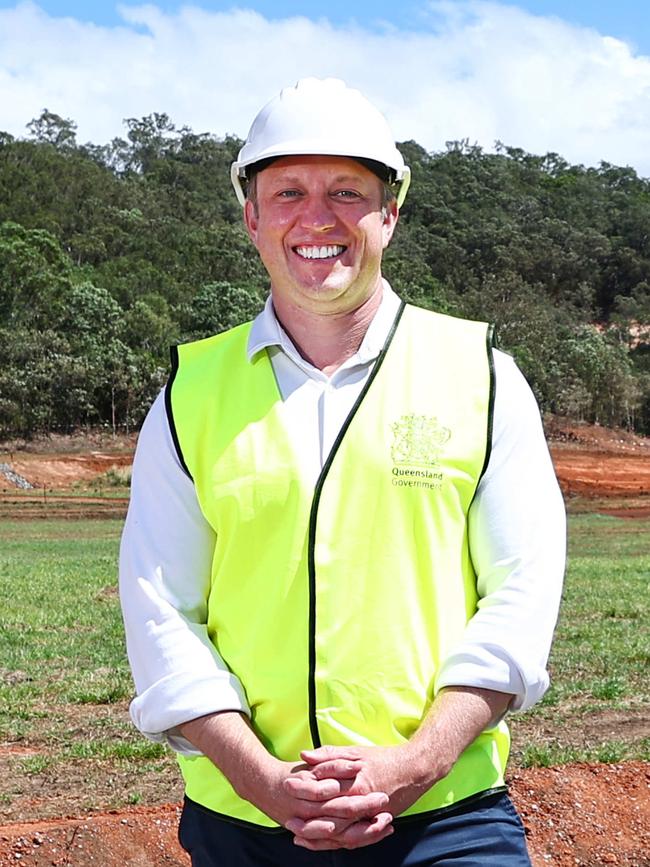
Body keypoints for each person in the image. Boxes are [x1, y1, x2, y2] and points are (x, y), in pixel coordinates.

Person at [119, 77, 566, 865]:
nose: (316, 217)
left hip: (446, 819)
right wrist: (260, 778)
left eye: (346, 191)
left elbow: (520, 598)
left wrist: (415, 763)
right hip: (248, 823)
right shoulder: (190, 394)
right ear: (251, 214)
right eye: (287, 190)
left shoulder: (482, 376)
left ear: (390, 212)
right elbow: (162, 613)